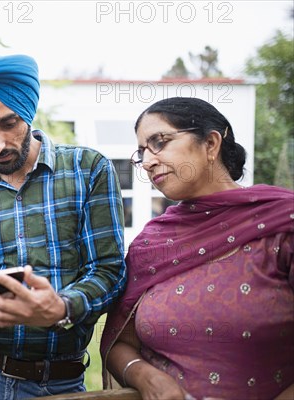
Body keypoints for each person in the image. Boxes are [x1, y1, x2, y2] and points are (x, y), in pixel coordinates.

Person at [0, 54, 127, 399]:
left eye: (8, 123)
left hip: (62, 381)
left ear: (28, 114)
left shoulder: (88, 170)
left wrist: (61, 307)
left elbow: (109, 271)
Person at [101, 97, 294, 399]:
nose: (148, 162)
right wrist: (144, 376)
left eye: (159, 142)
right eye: (142, 153)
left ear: (211, 144)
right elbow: (120, 344)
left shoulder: (282, 225)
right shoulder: (152, 244)